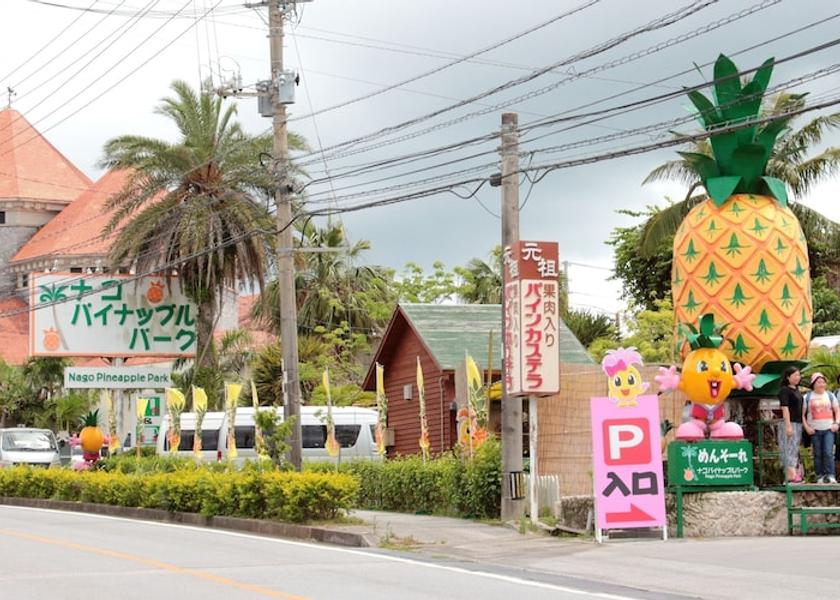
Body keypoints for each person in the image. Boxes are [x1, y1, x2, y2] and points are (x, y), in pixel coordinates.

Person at [802, 373, 840, 484]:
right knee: (818, 454)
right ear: (813, 384)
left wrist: (837, 423)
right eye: (819, 382)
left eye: (823, 382)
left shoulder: (830, 395)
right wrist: (807, 427)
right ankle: (820, 476)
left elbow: (837, 410)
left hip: (829, 429)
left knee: (828, 452)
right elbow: (802, 415)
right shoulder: (807, 397)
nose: (821, 384)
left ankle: (831, 475)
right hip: (814, 430)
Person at [778, 366, 804, 483]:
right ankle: (790, 475)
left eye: (798, 375)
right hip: (789, 422)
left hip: (798, 423)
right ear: (788, 377)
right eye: (795, 375)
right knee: (787, 448)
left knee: (794, 448)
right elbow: (785, 408)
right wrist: (788, 425)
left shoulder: (797, 390)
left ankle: (792, 474)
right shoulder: (785, 390)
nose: (797, 377)